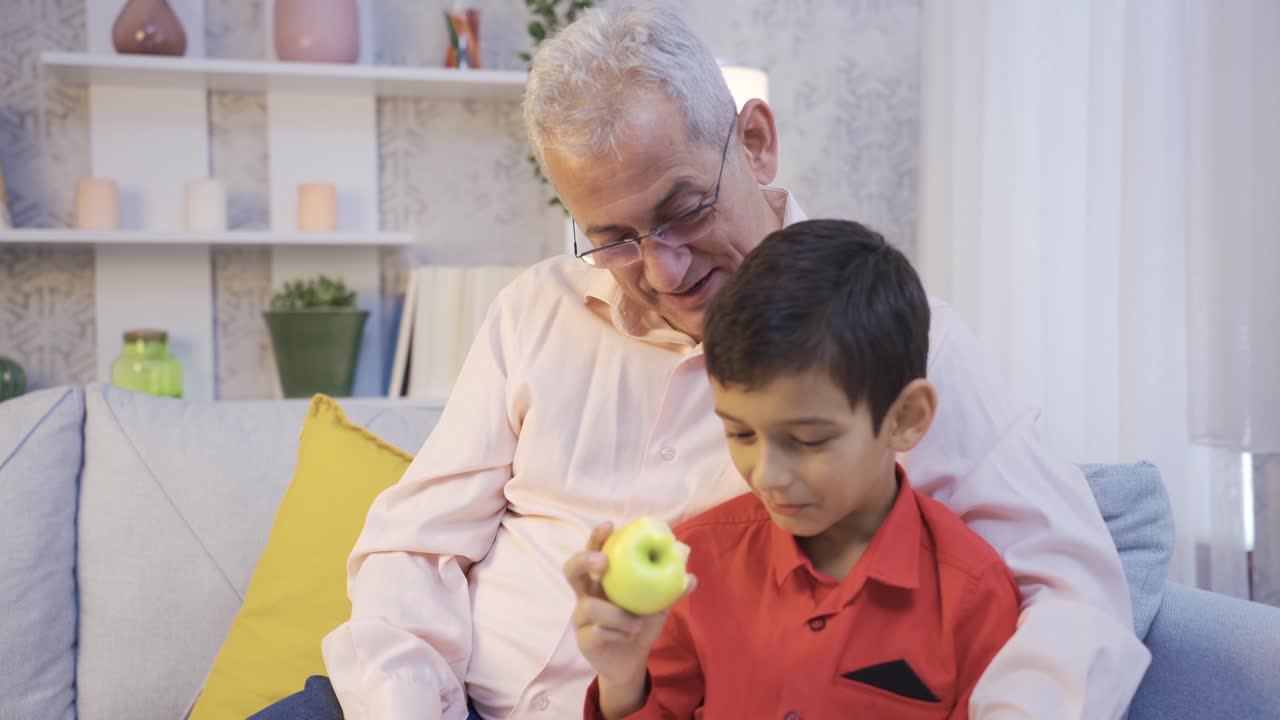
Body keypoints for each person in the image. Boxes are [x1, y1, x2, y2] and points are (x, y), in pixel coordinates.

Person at [254, 4, 1148, 719]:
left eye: (682, 210)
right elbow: (413, 547)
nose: (663, 269)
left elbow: (1071, 589)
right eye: (611, 238)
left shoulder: (900, 340)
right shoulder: (536, 309)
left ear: (754, 142)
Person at [569, 218, 1020, 719]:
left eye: (808, 440)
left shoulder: (972, 594)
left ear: (905, 419)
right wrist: (623, 679)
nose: (768, 475)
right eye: (740, 433)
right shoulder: (694, 564)